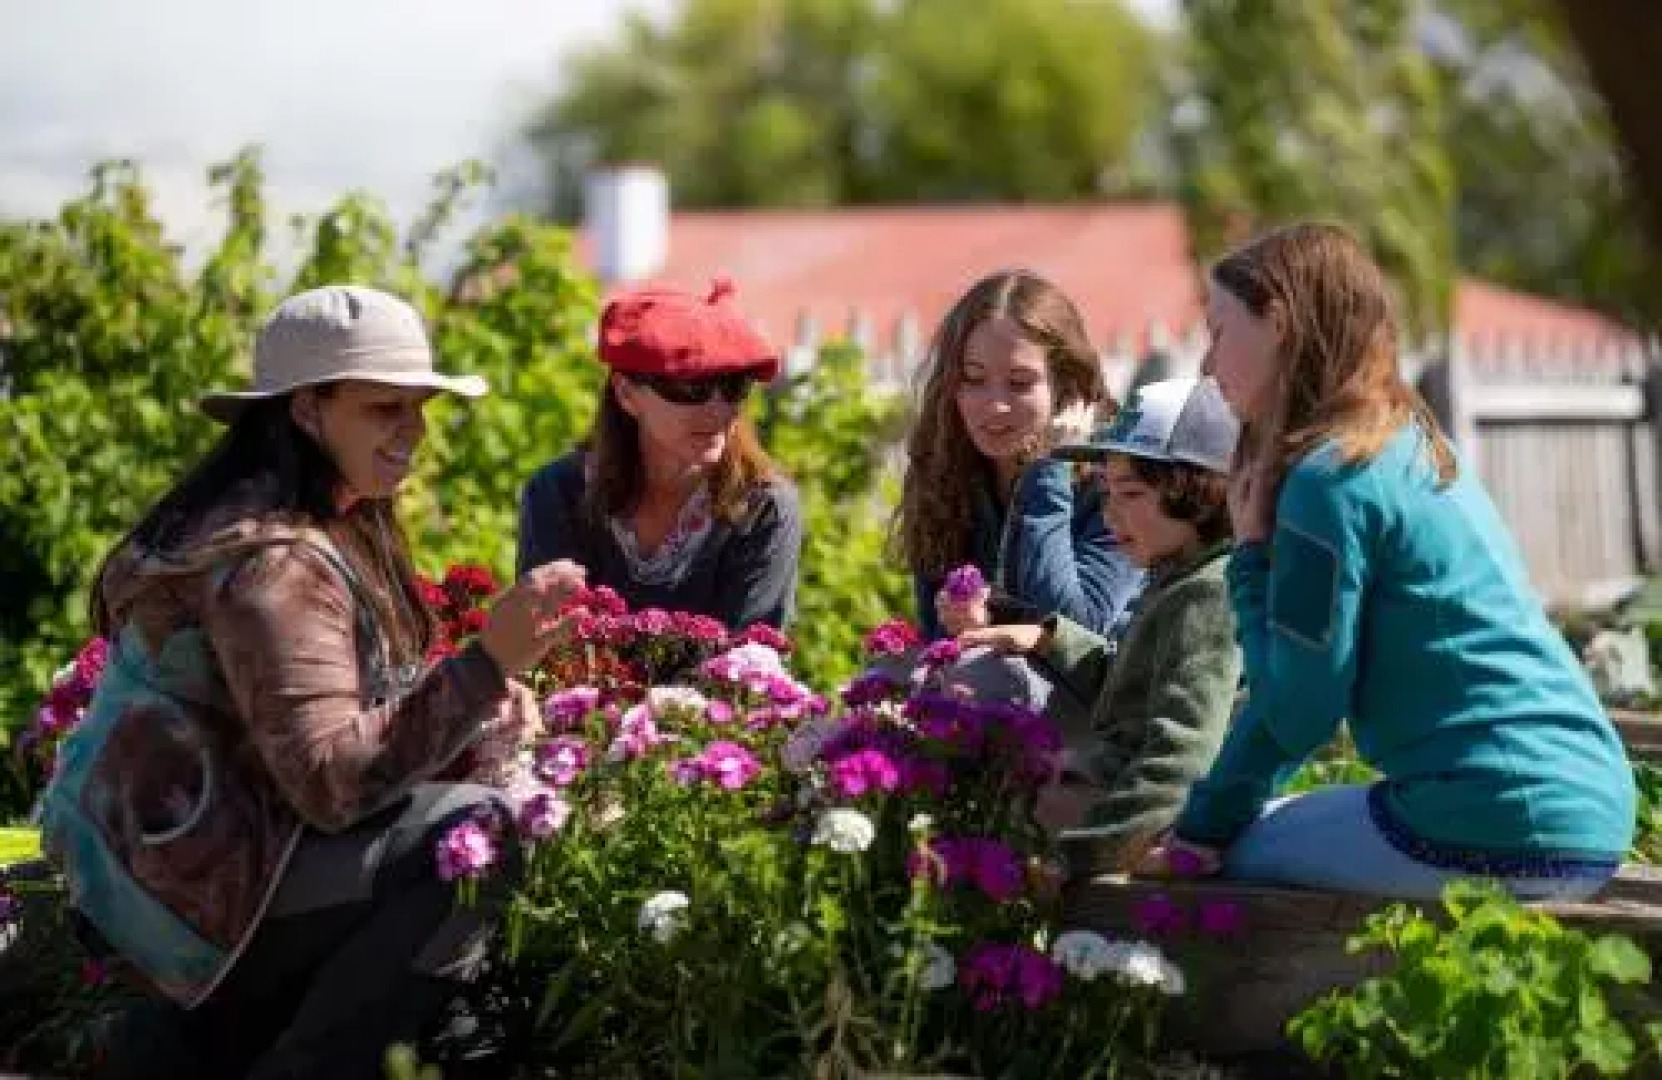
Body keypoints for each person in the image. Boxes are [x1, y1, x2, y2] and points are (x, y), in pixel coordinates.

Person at [37, 285, 586, 1079]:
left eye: (420, 406)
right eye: (383, 408)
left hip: (203, 876)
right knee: (477, 835)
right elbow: (331, 783)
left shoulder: (298, 521)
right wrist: (484, 665)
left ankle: (208, 1051)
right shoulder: (274, 562)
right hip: (199, 905)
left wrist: (474, 706)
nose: (414, 431)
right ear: (305, 411)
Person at [1139, 223, 1636, 901]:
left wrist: (1200, 831)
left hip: (1493, 821)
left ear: (1278, 323)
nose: (1205, 363)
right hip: (1592, 807)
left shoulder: (1327, 480)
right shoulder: (1411, 446)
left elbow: (1299, 711)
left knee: (1234, 851)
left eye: (1220, 330)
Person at [962, 377, 1243, 876]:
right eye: (1106, 490)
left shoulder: (1207, 595)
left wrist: (1076, 859)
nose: (1110, 512)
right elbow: (1136, 683)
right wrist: (1050, 636)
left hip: (1127, 812)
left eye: (1131, 493)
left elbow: (1182, 756)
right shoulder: (1177, 574)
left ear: (1201, 493)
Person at [517, 279, 803, 629]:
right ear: (625, 394)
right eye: (691, 387)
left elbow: (750, 664)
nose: (719, 411)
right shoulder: (557, 493)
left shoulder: (765, 509)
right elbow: (541, 645)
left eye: (734, 386)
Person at [895, 269, 1143, 643]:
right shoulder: (945, 473)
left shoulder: (1116, 484)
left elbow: (1077, 628)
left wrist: (1051, 467)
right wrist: (968, 627)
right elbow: (939, 639)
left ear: (1066, 389)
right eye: (974, 379)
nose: (995, 406)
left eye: (1020, 384)